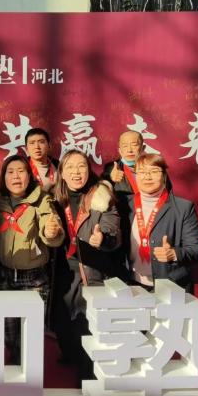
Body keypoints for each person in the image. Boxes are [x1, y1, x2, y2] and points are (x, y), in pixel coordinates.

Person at [0, 154, 64, 363]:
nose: (16, 176)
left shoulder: (42, 200)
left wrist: (51, 231)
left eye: (21, 171)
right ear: (3, 177)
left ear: (29, 175)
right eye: (10, 172)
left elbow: (51, 226)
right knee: (9, 332)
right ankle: (16, 363)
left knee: (30, 332)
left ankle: (27, 369)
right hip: (4, 276)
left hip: (34, 278)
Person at [51, 149, 121, 383]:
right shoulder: (52, 199)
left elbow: (113, 230)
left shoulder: (102, 196)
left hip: (91, 269)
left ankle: (87, 376)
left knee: (86, 322)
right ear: (62, 172)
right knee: (63, 319)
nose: (76, 172)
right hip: (61, 268)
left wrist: (104, 239)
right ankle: (71, 354)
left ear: (89, 170)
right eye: (70, 167)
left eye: (81, 166)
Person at [121, 153, 198, 293]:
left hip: (170, 286)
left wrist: (174, 253)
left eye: (154, 171)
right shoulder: (123, 204)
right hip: (131, 284)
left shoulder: (183, 208)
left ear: (164, 175)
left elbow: (197, 250)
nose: (147, 177)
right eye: (142, 172)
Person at [101, 130, 144, 201]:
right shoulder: (111, 169)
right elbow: (99, 193)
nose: (129, 150)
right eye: (125, 146)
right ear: (120, 150)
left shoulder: (154, 167)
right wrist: (110, 179)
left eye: (134, 145)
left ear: (143, 148)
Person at [24, 128, 59, 193]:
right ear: (26, 148)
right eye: (32, 143)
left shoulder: (60, 166)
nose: (37, 147)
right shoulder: (22, 168)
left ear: (49, 145)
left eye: (41, 142)